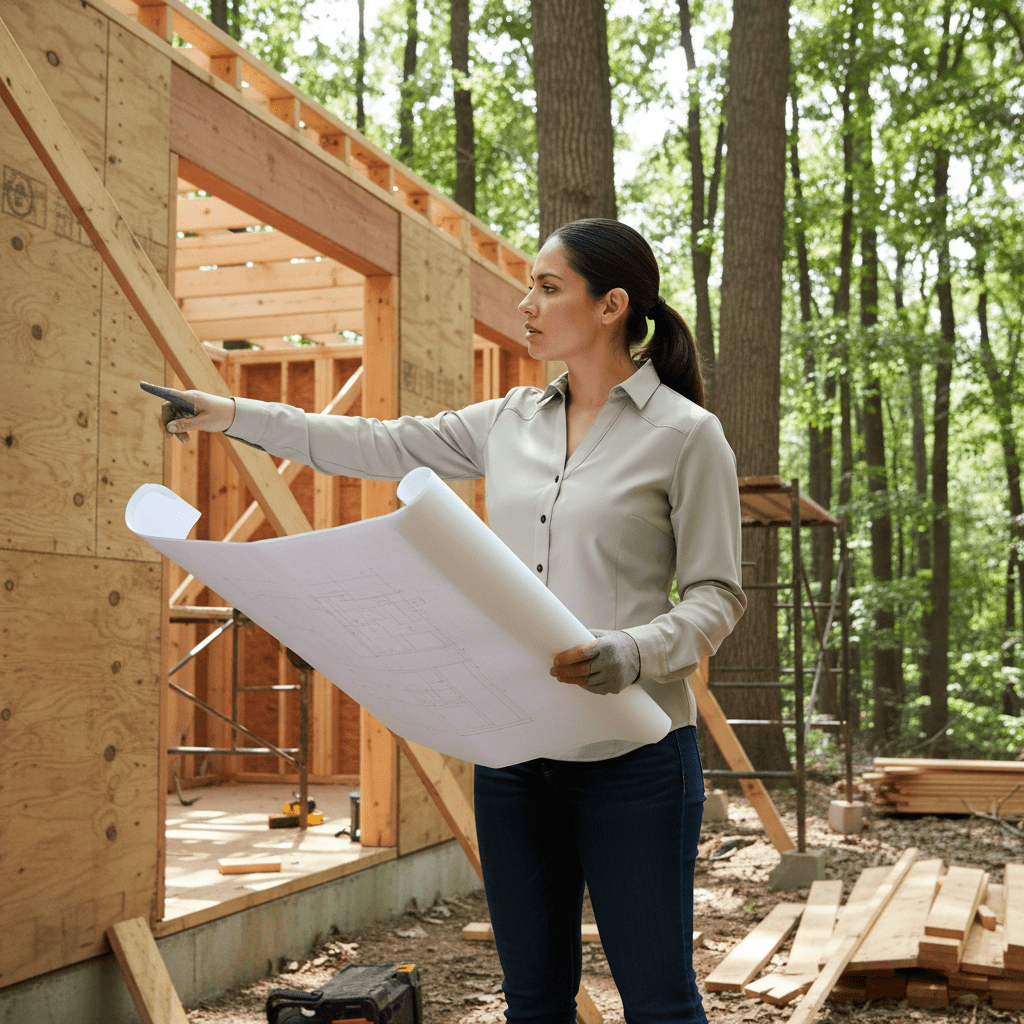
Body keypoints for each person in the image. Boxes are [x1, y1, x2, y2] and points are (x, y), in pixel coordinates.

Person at [159, 218, 745, 1023]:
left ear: (612, 306)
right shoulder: (508, 422)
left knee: (659, 1002)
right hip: (513, 753)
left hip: (636, 759)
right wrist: (229, 413)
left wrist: (634, 650)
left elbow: (718, 594)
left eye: (547, 287)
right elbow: (372, 444)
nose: (525, 304)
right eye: (528, 285)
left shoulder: (686, 435)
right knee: (533, 1000)